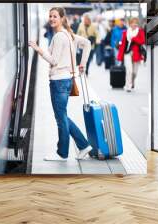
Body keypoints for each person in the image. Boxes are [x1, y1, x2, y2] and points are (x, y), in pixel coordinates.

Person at [29, 7, 93, 161]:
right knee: (62, 116)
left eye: (55, 16)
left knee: (60, 118)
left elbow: (54, 60)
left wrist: (38, 49)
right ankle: (84, 145)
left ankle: (62, 153)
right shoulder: (69, 35)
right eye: (50, 16)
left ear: (62, 18)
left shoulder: (59, 36)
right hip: (67, 80)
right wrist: (82, 63)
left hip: (58, 82)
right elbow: (88, 44)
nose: (52, 19)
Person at [117, 17, 145, 92]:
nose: (134, 24)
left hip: (137, 54)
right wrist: (120, 55)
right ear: (130, 24)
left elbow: (142, 41)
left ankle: (132, 82)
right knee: (129, 70)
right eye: (132, 23)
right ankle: (128, 86)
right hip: (127, 53)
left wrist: (134, 39)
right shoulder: (125, 32)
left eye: (136, 23)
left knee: (135, 72)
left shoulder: (140, 31)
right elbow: (123, 44)